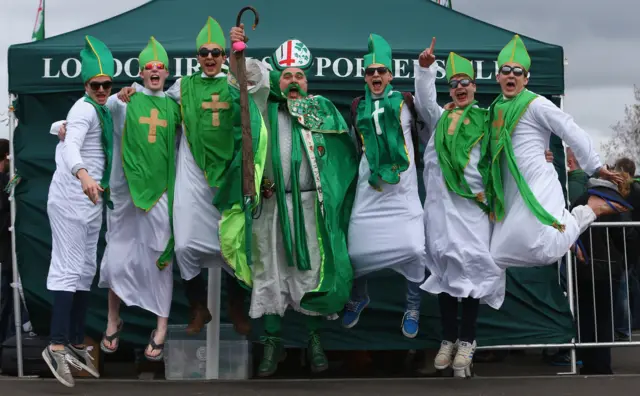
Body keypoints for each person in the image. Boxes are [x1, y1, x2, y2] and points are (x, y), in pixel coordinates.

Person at [118, 18, 269, 336]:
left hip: (226, 178)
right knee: (185, 246)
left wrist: (240, 51)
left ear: (224, 55)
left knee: (232, 246)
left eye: (217, 52)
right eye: (204, 53)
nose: (211, 57)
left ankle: (236, 307)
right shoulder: (182, 87)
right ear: (197, 57)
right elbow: (155, 100)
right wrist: (132, 91)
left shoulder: (233, 82)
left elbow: (258, 83)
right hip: (192, 177)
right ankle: (198, 307)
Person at [52, 37, 180, 361]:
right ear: (140, 71)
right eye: (148, 67)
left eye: (159, 67)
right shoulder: (120, 101)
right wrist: (60, 127)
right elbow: (77, 120)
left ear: (167, 72)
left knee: (157, 259)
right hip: (117, 193)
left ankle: (159, 328)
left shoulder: (174, 104)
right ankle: (106, 322)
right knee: (112, 259)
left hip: (158, 191)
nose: (154, 71)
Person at [248, 38, 359, 377]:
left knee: (311, 273)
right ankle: (271, 342)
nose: (293, 81)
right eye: (286, 76)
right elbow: (246, 78)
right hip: (271, 206)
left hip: (311, 206)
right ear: (276, 81)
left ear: (307, 81)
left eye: (299, 75)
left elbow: (344, 156)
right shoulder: (263, 107)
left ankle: (314, 340)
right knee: (270, 270)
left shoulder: (322, 109)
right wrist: (238, 49)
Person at [485, 34, 626, 271]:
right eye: (506, 70)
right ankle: (569, 234)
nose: (511, 74)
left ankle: (588, 210)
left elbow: (569, 129)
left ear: (526, 79)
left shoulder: (535, 104)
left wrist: (595, 166)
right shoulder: (493, 110)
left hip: (538, 181)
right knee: (498, 253)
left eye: (517, 71)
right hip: (511, 186)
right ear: (498, 76)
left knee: (544, 248)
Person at [342, 34, 427, 337]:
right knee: (354, 254)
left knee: (416, 249)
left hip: (402, 194)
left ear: (391, 75)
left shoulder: (407, 103)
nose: (375, 76)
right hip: (370, 191)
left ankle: (413, 305)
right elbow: (352, 147)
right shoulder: (357, 106)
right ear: (365, 77)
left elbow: (434, 133)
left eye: (381, 71)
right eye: (370, 72)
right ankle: (359, 296)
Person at [41, 35, 112, 387]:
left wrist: (122, 95)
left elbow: (66, 129)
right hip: (73, 197)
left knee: (85, 269)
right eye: (96, 85)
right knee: (69, 269)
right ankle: (55, 343)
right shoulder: (83, 109)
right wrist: (83, 175)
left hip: (91, 201)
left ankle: (75, 339)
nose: (102, 90)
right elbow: (70, 144)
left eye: (106, 85)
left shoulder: (103, 105)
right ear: (86, 85)